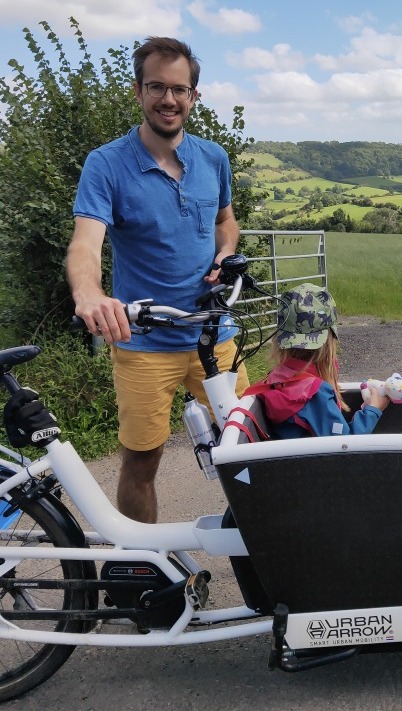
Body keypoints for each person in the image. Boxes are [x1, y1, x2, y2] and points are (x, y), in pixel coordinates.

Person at [66, 37, 249, 523]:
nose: (168, 99)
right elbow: (86, 242)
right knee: (143, 460)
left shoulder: (213, 158)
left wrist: (226, 253)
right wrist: (89, 293)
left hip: (216, 332)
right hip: (145, 341)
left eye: (179, 89)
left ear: (193, 96)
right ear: (138, 91)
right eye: (156, 87)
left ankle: (266, 550)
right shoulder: (107, 164)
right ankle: (143, 567)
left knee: (250, 446)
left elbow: (226, 222)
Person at [244, 283, 389, 438]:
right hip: (319, 462)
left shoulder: (277, 378)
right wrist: (374, 409)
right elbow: (344, 447)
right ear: (329, 340)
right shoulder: (314, 394)